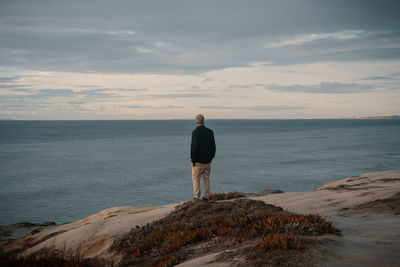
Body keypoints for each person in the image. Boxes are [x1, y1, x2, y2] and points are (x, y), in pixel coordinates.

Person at [190, 114, 216, 201]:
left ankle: (197, 197)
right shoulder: (210, 132)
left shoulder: (195, 132)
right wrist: (211, 157)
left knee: (196, 178)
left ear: (196, 121)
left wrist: (193, 160)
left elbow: (194, 147)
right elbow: (213, 147)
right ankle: (207, 196)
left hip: (198, 161)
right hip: (208, 161)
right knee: (206, 178)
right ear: (203, 121)